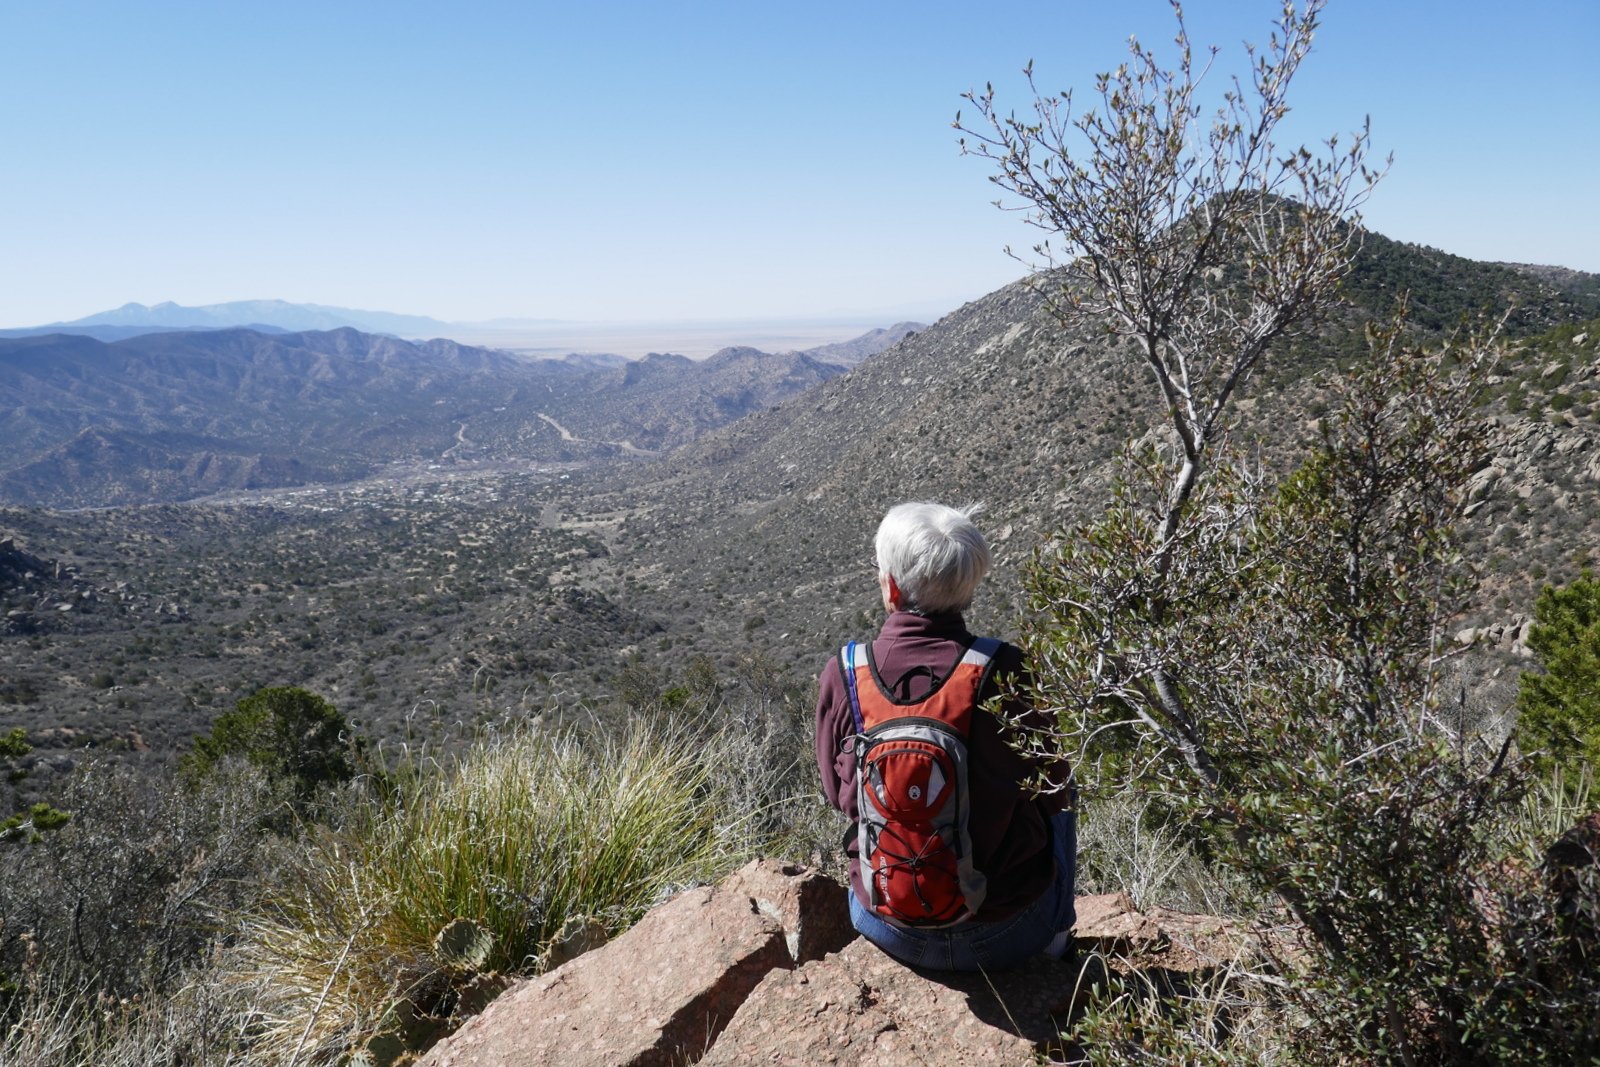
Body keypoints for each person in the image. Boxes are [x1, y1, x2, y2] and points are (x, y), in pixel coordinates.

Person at [814, 501, 1075, 971]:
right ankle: (1057, 937)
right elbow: (1051, 789)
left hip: (887, 924)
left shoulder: (846, 673)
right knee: (1065, 791)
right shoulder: (1006, 668)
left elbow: (838, 795)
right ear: (968, 587)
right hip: (1006, 931)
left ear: (891, 586)